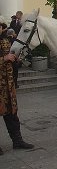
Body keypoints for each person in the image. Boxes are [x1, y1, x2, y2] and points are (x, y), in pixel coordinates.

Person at [0, 21, 34, 155]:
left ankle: (17, 141)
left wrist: (16, 59)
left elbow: (13, 55)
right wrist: (4, 58)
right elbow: (5, 58)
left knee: (12, 114)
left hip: (8, 85)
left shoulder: (7, 40)